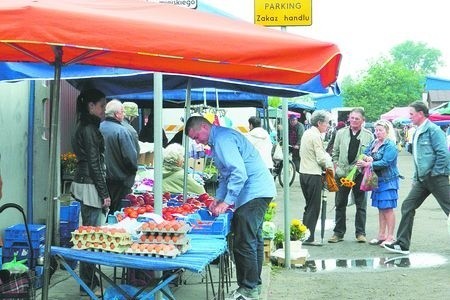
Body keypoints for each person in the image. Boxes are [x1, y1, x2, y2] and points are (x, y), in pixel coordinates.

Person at [184, 116, 276, 300]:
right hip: (258, 191)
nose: (197, 142)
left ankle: (248, 289)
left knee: (244, 242)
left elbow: (238, 173)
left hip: (254, 193)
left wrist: (227, 202)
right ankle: (253, 286)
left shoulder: (222, 140)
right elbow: (226, 176)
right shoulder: (219, 140)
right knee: (253, 240)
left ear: (204, 126)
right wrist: (218, 199)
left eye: (196, 137)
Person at [384, 101, 450, 255]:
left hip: (435, 177)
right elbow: (418, 158)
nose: (410, 117)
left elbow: (443, 154)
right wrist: (416, 178)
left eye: (412, 114)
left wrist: (435, 172)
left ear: (421, 113)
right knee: (408, 206)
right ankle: (402, 244)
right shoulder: (418, 130)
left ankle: (401, 243)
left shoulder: (433, 130)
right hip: (423, 179)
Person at [71, 88, 111, 296]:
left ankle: (89, 280)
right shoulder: (88, 128)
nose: (105, 110)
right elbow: (94, 163)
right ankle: (87, 283)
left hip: (86, 181)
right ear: (91, 106)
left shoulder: (86, 126)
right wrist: (104, 193)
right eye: (102, 106)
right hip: (89, 183)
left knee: (90, 234)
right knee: (90, 236)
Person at [328, 108, 374, 243]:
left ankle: (360, 233)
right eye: (352, 118)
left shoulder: (368, 135)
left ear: (362, 120)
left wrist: (365, 161)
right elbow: (334, 152)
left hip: (359, 174)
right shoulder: (340, 133)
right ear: (349, 118)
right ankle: (338, 233)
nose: (354, 120)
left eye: (357, 118)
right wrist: (336, 166)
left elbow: (371, 154)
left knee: (361, 204)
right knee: (340, 203)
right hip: (342, 173)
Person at [357, 120, 400, 246]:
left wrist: (368, 163)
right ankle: (382, 235)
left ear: (387, 131)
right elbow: (364, 153)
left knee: (388, 209)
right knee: (381, 208)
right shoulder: (374, 142)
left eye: (380, 130)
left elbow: (385, 162)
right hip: (377, 180)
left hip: (388, 181)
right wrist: (366, 158)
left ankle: (391, 236)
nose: (377, 133)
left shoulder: (390, 145)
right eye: (376, 130)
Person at [299, 110, 334, 246]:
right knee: (314, 207)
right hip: (313, 174)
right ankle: (309, 236)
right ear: (319, 123)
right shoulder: (316, 136)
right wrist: (329, 165)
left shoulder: (307, 133)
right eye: (326, 123)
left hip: (303, 173)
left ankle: (305, 233)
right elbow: (321, 158)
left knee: (309, 206)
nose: (328, 126)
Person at [100, 99, 138, 214]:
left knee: (101, 212)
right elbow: (130, 158)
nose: (124, 114)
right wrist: (131, 173)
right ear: (117, 114)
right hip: (118, 181)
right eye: (122, 111)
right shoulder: (122, 131)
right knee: (116, 214)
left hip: (100, 179)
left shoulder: (98, 128)